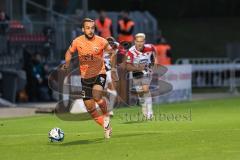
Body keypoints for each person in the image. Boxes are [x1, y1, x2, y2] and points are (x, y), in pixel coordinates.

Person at [63, 18, 117, 139]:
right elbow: (69, 52)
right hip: (85, 77)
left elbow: (112, 52)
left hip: (100, 73)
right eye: (88, 28)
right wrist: (67, 64)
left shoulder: (101, 41)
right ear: (83, 29)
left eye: (92, 28)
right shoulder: (77, 41)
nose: (90, 30)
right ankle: (106, 125)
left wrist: (112, 68)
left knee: (97, 95)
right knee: (90, 108)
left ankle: (107, 114)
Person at [126, 33, 155, 119]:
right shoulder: (131, 51)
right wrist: (139, 68)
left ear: (144, 42)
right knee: (140, 93)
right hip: (136, 73)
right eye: (138, 41)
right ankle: (143, 105)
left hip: (146, 72)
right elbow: (127, 67)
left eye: (141, 41)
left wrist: (152, 66)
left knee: (146, 89)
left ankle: (150, 112)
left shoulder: (150, 47)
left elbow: (153, 58)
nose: (139, 43)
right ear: (135, 42)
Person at [104, 37, 119, 116]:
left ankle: (109, 110)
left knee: (113, 92)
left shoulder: (115, 47)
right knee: (104, 92)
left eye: (111, 44)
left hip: (109, 70)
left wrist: (113, 70)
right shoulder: (99, 48)